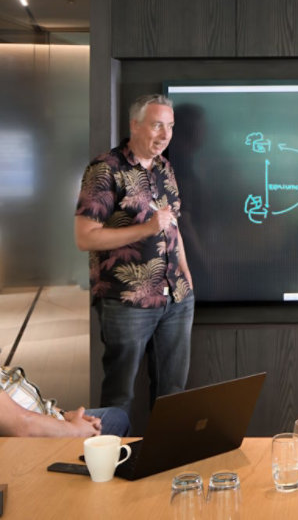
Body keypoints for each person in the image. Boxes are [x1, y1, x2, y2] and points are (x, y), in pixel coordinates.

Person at [74, 94, 194, 419]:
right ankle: (110, 466)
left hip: (177, 299)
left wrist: (186, 276)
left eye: (169, 126)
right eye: (157, 125)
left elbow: (172, 226)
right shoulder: (105, 169)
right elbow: (85, 237)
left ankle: (165, 462)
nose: (165, 134)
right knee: (119, 396)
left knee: (173, 394)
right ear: (135, 125)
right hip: (127, 302)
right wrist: (147, 228)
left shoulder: (165, 168)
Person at [1, 366, 129, 437]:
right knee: (116, 420)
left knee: (116, 417)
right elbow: (22, 425)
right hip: (36, 438)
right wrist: (75, 430)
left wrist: (65, 414)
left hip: (49, 417)